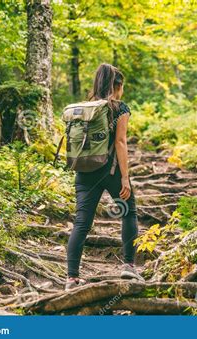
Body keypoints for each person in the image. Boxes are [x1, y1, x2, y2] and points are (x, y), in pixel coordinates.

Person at [65, 63, 143, 290]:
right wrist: (125, 178)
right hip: (110, 171)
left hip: (84, 171)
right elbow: (120, 142)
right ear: (117, 85)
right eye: (122, 87)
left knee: (81, 222)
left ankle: (71, 278)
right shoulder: (119, 108)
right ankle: (128, 266)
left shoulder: (85, 107)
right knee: (129, 212)